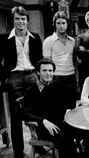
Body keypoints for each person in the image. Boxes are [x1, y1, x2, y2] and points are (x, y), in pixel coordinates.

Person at [0, 6, 43, 158]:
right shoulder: (3, 38)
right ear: (13, 20)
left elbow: (40, 60)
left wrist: (40, 77)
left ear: (28, 21)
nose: (20, 22)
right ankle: (18, 151)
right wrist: (4, 79)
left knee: (36, 111)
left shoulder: (36, 37)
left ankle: (40, 144)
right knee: (16, 115)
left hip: (32, 77)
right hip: (14, 78)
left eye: (23, 19)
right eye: (17, 18)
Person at [21, 58, 77, 158]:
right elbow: (25, 113)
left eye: (50, 71)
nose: (48, 73)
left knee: (81, 132)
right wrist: (43, 121)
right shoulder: (31, 91)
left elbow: (70, 102)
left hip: (60, 123)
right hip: (42, 128)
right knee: (66, 139)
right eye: (44, 70)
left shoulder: (57, 86)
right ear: (38, 72)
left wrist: (67, 111)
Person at [43, 11, 77, 106]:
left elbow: (75, 60)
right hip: (56, 77)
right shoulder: (48, 41)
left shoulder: (72, 41)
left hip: (71, 77)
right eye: (58, 23)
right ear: (54, 24)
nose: (61, 26)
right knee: (57, 107)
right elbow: (46, 63)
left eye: (63, 23)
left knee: (72, 106)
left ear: (67, 24)